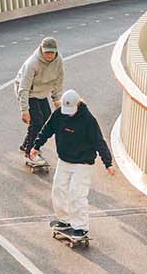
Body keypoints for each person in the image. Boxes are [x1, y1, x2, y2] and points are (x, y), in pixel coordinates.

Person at [35, 87, 114, 243]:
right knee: (58, 190)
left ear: (78, 105)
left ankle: (80, 227)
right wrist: (36, 146)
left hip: (83, 163)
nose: (69, 113)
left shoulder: (88, 120)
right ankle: (64, 220)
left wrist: (108, 163)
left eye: (71, 110)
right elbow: (47, 129)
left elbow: (99, 141)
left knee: (76, 194)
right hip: (64, 160)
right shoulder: (59, 114)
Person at [14, 35, 65, 166]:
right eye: (46, 52)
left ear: (55, 51)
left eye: (51, 52)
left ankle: (27, 144)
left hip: (42, 92)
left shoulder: (58, 61)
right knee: (36, 121)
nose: (49, 55)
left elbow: (59, 80)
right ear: (42, 50)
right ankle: (30, 152)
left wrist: (57, 99)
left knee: (47, 121)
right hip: (28, 92)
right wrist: (24, 110)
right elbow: (23, 88)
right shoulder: (32, 63)